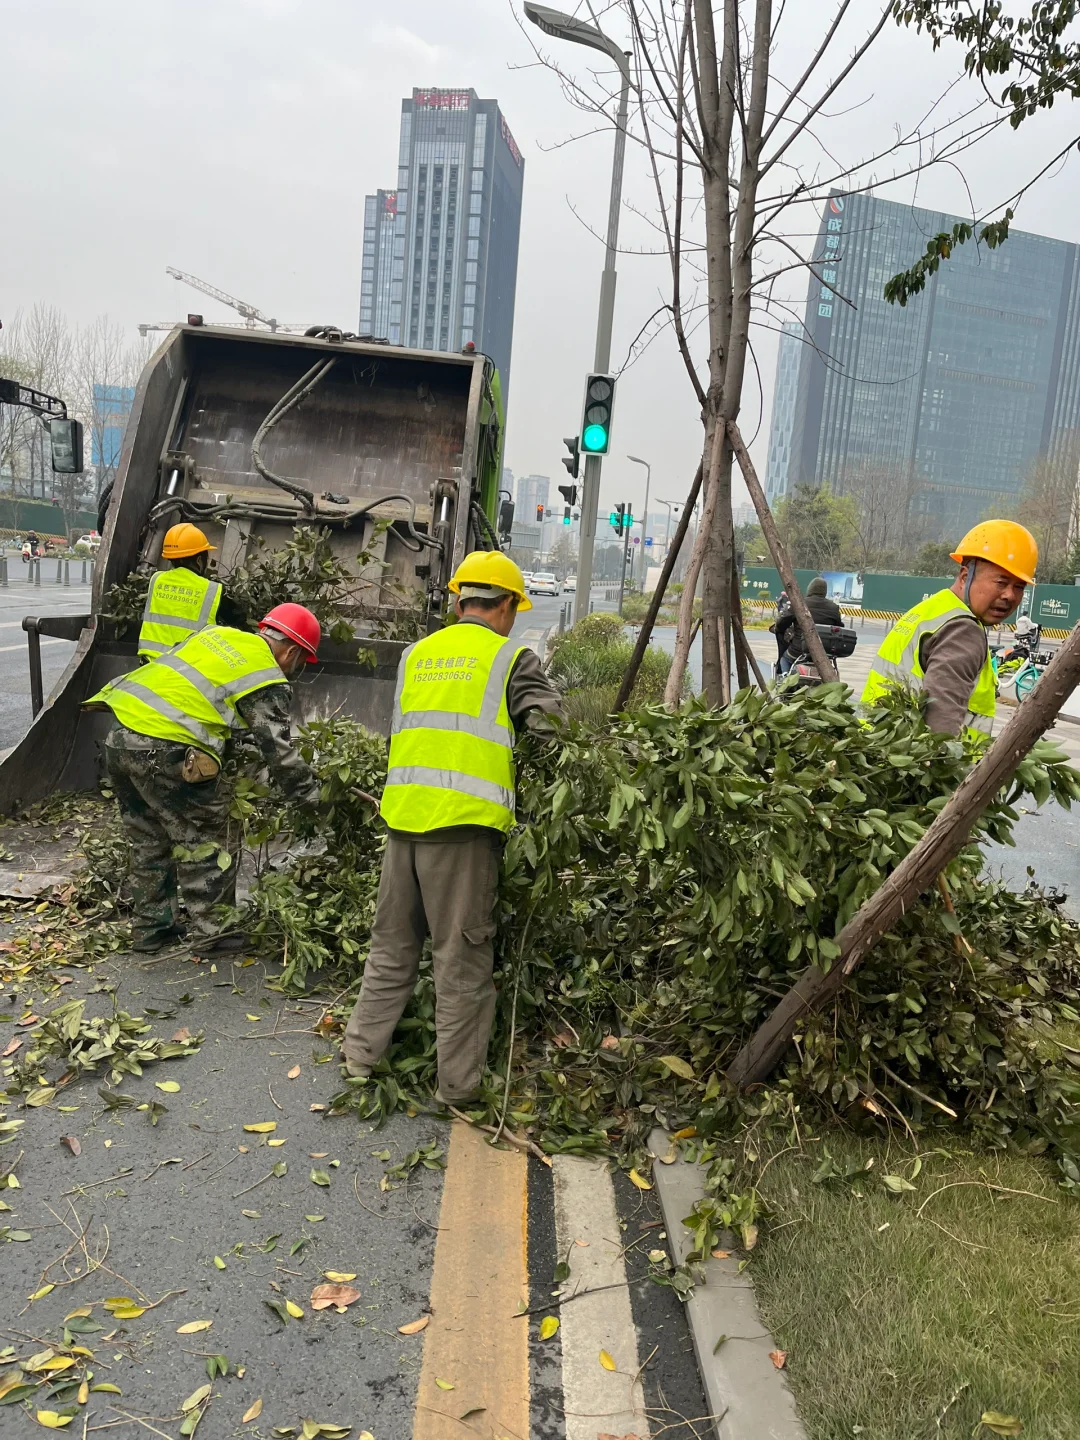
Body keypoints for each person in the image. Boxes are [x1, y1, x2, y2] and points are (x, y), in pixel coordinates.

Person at [342, 550, 564, 1104]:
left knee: (391, 947)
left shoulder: (417, 654)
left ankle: (359, 1060)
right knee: (461, 960)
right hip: (463, 832)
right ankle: (458, 1088)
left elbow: (400, 736)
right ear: (507, 605)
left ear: (461, 600)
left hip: (402, 823)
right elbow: (551, 727)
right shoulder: (513, 658)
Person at [86, 603, 323, 954]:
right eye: (300, 662)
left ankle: (152, 929)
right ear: (291, 651)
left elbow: (200, 698)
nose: (295, 669)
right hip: (165, 748)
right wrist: (311, 798)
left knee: (148, 835)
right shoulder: (265, 673)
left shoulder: (217, 635)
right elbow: (278, 751)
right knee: (210, 835)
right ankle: (214, 933)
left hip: (121, 736)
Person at [861, 519, 1037, 739]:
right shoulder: (963, 630)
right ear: (965, 577)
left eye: (1018, 587)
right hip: (918, 765)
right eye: (1001, 583)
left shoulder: (935, 609)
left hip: (881, 749)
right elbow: (941, 725)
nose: (1010, 595)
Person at [138, 522, 247, 660]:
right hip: (186, 672)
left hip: (148, 666)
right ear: (199, 560)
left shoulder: (156, 580)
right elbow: (238, 617)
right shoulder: (212, 590)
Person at [776, 576, 842, 674]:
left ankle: (785, 679)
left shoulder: (799, 603)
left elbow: (782, 623)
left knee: (784, 659)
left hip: (798, 651)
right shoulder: (834, 608)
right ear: (825, 591)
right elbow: (839, 627)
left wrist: (779, 627)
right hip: (823, 653)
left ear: (810, 589)